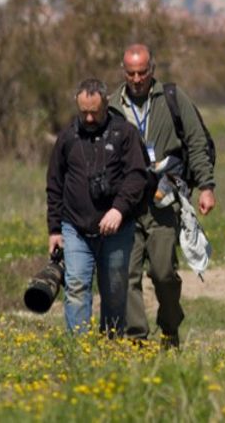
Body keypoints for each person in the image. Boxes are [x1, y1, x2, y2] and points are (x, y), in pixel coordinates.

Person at [109, 44, 216, 348]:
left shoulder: (172, 98)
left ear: (152, 70)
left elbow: (197, 142)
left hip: (163, 199)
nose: (137, 78)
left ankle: (170, 328)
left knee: (163, 273)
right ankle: (136, 339)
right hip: (126, 204)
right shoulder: (113, 106)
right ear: (123, 71)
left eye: (143, 72)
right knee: (126, 274)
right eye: (131, 73)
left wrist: (206, 186)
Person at [46, 78, 148, 336]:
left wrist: (119, 209)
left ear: (106, 104)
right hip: (75, 229)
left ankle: (111, 346)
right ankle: (78, 351)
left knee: (114, 291)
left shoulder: (125, 133)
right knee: (77, 287)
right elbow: (55, 184)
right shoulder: (68, 137)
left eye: (95, 112)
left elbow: (137, 176)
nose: (89, 118)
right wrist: (54, 229)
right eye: (84, 112)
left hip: (117, 230)